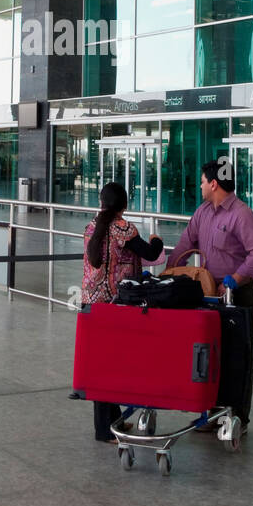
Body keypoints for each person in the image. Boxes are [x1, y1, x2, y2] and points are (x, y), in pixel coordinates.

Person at [163, 160, 253, 433]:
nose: (199, 185)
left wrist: (235, 279)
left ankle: (237, 418)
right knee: (209, 354)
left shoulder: (242, 215)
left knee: (239, 357)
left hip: (238, 294)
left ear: (214, 183)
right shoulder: (203, 213)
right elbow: (186, 244)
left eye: (202, 181)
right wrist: (167, 274)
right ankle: (211, 413)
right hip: (210, 293)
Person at [82, 182, 165, 442]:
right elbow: (151, 252)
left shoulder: (91, 227)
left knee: (100, 364)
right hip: (114, 305)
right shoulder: (123, 228)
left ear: (101, 202)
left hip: (90, 304)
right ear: (124, 206)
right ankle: (103, 430)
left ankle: (112, 420)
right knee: (112, 365)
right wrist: (157, 239)